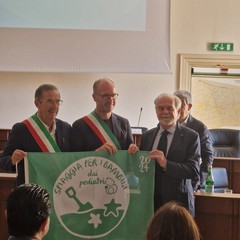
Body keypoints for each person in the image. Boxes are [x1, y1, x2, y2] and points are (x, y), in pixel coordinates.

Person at [140, 93, 200, 216]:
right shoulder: (147, 136)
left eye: (169, 108)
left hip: (179, 204)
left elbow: (193, 170)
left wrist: (166, 164)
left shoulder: (191, 136)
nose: (165, 112)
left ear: (178, 111)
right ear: (156, 111)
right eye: (161, 108)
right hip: (151, 203)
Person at [0, 84, 71, 185]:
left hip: (59, 189)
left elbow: (73, 157)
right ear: (37, 103)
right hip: (31, 193)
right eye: (49, 101)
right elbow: (3, 160)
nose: (55, 106)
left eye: (57, 101)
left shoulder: (66, 128)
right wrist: (12, 159)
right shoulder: (21, 129)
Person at [71, 77, 138, 154]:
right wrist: (96, 154)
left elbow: (130, 153)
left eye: (113, 95)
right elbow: (75, 159)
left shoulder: (124, 123)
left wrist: (134, 149)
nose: (110, 99)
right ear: (94, 97)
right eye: (106, 95)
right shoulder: (79, 126)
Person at [174, 90, 213, 190]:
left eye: (181, 105)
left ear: (189, 106)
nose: (177, 109)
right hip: (170, 180)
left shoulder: (199, 127)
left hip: (190, 181)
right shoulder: (167, 125)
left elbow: (208, 156)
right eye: (175, 105)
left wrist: (199, 179)